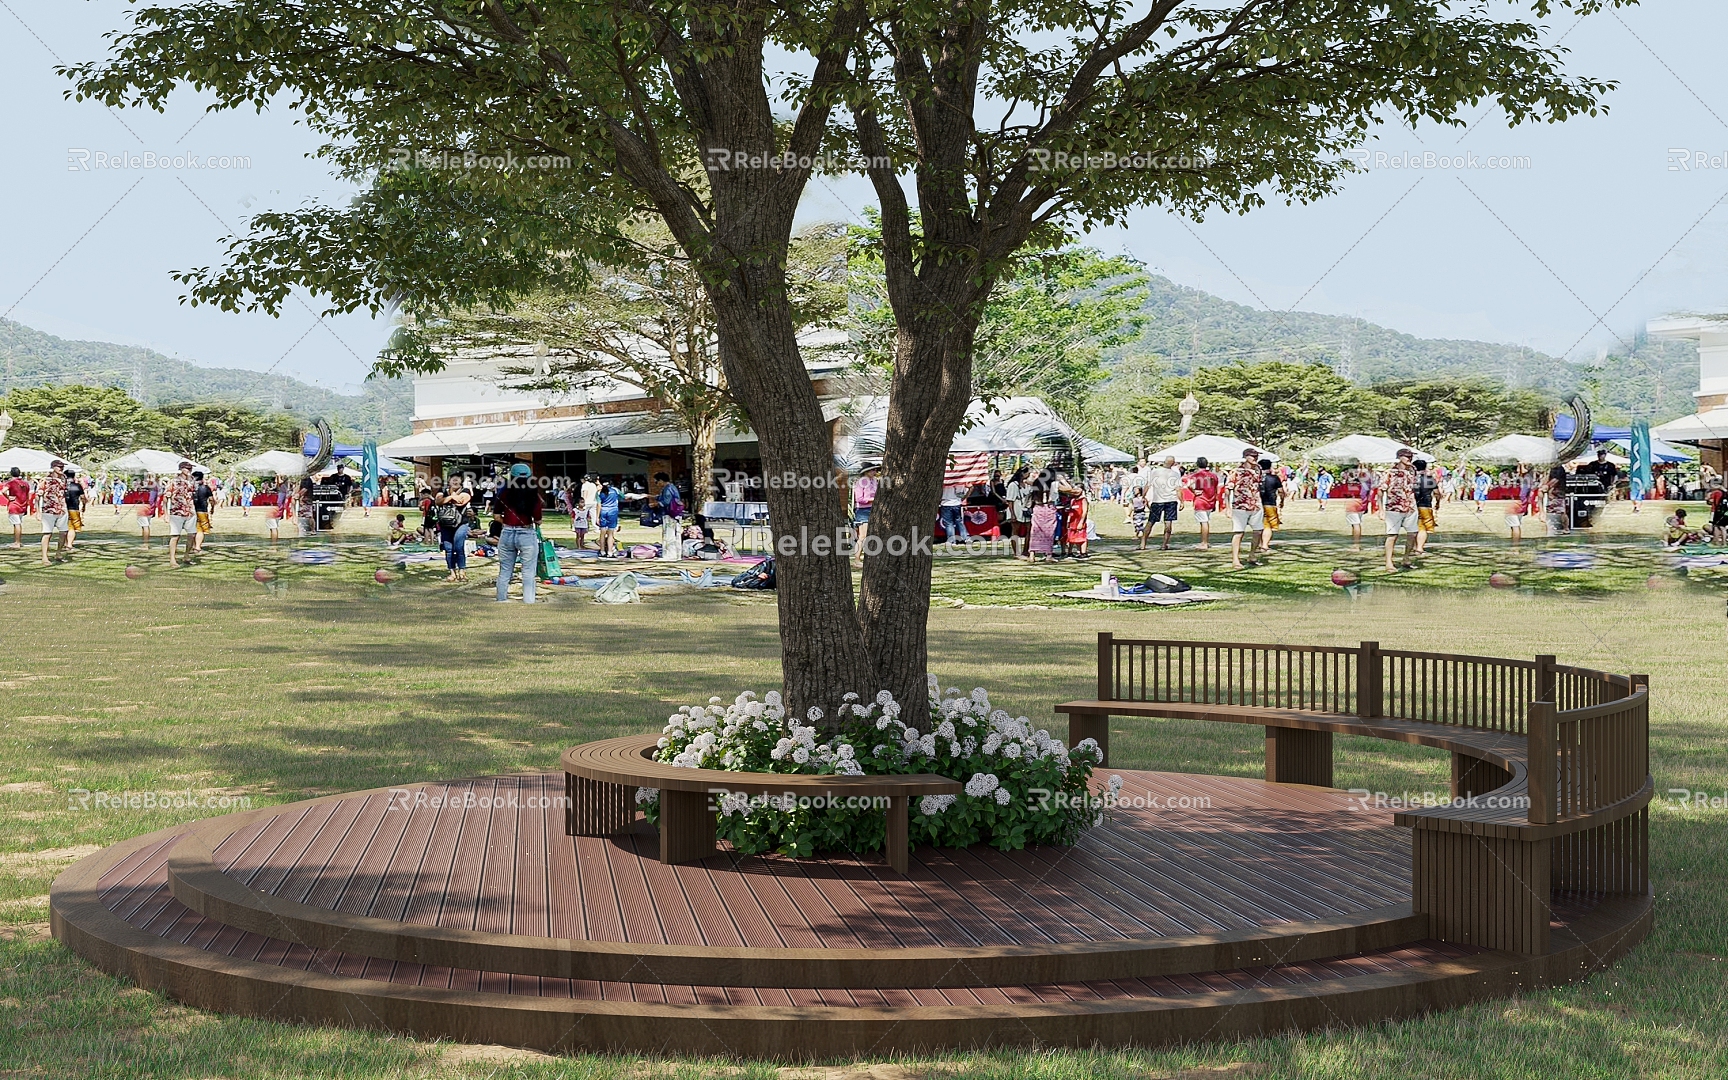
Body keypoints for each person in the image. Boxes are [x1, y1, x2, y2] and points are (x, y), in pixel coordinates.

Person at [493, 462, 544, 602]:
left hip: (507, 533)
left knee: (505, 571)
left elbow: (496, 516)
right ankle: (528, 601)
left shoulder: (503, 493)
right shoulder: (533, 494)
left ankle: (501, 599)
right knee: (528, 571)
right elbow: (538, 520)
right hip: (526, 534)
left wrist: (508, 524)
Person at [1226, 448, 1264, 570]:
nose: (1255, 458)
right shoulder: (1236, 471)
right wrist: (1227, 507)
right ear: (1246, 456)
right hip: (1240, 505)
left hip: (1256, 504)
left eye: (1256, 456)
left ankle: (1252, 555)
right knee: (1239, 533)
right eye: (1253, 456)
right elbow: (1227, 489)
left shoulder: (1258, 470)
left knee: (1258, 531)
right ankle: (1235, 559)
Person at [1381, 448, 1418, 573]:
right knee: (1392, 535)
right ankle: (1389, 563)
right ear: (1399, 457)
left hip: (1410, 506)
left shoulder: (1413, 471)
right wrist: (1380, 509)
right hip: (1393, 507)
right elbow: (1380, 491)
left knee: (1413, 534)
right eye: (1407, 456)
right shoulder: (1390, 472)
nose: (1410, 458)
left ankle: (1406, 558)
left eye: (1411, 456)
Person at [436, 480, 472, 582]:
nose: (455, 481)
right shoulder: (442, 490)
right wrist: (451, 497)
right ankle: (452, 572)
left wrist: (450, 496)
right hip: (445, 523)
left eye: (457, 479)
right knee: (448, 549)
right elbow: (438, 501)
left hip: (461, 523)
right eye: (453, 479)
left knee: (459, 547)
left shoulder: (466, 490)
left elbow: (461, 502)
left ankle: (462, 571)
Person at [1145, 455, 1181, 551]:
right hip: (1171, 500)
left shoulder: (1154, 472)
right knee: (1168, 522)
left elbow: (1147, 485)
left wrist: (1143, 496)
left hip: (1157, 500)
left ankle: (1143, 543)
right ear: (1173, 464)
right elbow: (1178, 489)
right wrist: (1182, 501)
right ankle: (1164, 544)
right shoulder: (1175, 474)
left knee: (1150, 522)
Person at [37, 460, 70, 565]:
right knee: (47, 533)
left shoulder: (64, 479)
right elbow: (37, 496)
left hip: (62, 509)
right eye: (59, 466)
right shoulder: (45, 480)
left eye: (62, 467)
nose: (61, 469)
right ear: (53, 467)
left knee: (63, 532)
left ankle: (58, 553)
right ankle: (44, 557)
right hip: (48, 509)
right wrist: (38, 511)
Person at [165, 461, 198, 567]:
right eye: (187, 468)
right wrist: (166, 513)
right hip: (176, 511)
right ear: (181, 469)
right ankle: (172, 559)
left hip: (190, 511)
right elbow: (165, 497)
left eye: (190, 469)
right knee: (175, 536)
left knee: (192, 534)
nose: (189, 471)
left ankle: (186, 556)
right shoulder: (173, 481)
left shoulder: (192, 481)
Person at [1186, 456, 1220, 551]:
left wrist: (1193, 491)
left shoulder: (1196, 475)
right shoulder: (1213, 475)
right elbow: (1216, 487)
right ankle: (1204, 541)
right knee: (1206, 521)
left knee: (1203, 522)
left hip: (1201, 500)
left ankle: (1204, 542)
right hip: (1210, 500)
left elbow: (1188, 484)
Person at [1411, 459, 1439, 556]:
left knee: (1413, 528)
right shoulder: (1429, 479)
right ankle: (1419, 548)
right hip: (1425, 505)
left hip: (1412, 506)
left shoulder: (1412, 479)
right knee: (1422, 528)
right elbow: (1436, 493)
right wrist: (1438, 503)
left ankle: (1414, 546)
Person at [1004, 465, 1033, 559]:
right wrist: (1012, 514)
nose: (1029, 474)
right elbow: (1010, 500)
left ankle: (1025, 551)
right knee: (1015, 530)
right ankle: (1017, 553)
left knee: (1029, 530)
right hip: (1016, 508)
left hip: (1026, 509)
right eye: (1028, 472)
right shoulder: (1013, 485)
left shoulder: (1028, 484)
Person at [654, 471, 683, 561]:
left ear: (661, 480)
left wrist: (656, 504)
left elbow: (666, 502)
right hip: (677, 514)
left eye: (656, 482)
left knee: (669, 535)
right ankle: (677, 554)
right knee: (676, 535)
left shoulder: (667, 489)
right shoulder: (672, 487)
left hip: (669, 514)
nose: (656, 484)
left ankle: (669, 555)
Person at [1257, 457, 1283, 555]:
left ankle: (1259, 543)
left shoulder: (1257, 478)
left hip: (1258, 504)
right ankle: (1265, 545)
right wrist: (1282, 501)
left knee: (1259, 525)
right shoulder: (1274, 478)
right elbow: (1281, 491)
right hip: (1270, 504)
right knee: (1267, 525)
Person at [1027, 488, 1058, 562]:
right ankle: (1049, 555)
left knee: (1035, 531)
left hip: (1038, 507)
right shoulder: (1052, 486)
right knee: (1049, 532)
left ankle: (1032, 554)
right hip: (1049, 507)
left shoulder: (1036, 485)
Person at [4, 467, 30, 548]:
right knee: (18, 523)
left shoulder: (11, 482)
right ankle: (17, 541)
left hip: (14, 505)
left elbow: (3, 491)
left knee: (16, 524)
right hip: (22, 506)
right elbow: (27, 495)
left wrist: (8, 497)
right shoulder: (25, 483)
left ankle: (17, 542)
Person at [1063, 481, 1090, 558]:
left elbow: (1084, 512)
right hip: (1072, 521)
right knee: (1071, 536)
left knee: (1081, 536)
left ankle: (1083, 552)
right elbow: (1071, 511)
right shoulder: (1073, 500)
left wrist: (1081, 522)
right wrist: (1068, 521)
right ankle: (1070, 552)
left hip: (1079, 521)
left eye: (1078, 489)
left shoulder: (1083, 500)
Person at [191, 470, 215, 554]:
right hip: (202, 511)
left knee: (192, 530)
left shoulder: (191, 488)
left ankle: (193, 546)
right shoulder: (206, 488)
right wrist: (212, 508)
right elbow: (212, 500)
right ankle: (197, 547)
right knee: (200, 530)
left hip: (192, 511)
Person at [939, 479, 968, 548]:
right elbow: (970, 487)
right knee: (959, 522)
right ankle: (965, 538)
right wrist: (964, 498)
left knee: (949, 523)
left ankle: (952, 541)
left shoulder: (945, 480)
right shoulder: (962, 480)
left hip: (945, 503)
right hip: (957, 503)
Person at [63, 467, 86, 552]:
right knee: (71, 527)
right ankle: (69, 544)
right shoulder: (77, 486)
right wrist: (84, 506)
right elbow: (83, 498)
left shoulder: (63, 486)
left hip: (64, 509)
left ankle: (65, 543)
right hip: (74, 508)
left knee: (64, 527)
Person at [596, 479, 621, 557]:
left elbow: (599, 505)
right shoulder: (615, 490)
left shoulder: (599, 492)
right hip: (613, 512)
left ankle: (602, 551)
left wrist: (597, 517)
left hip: (604, 512)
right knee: (610, 533)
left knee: (602, 532)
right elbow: (623, 497)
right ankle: (610, 552)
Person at [1544, 464, 1570, 537]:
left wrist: (1547, 488)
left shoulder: (1559, 469)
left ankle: (1566, 528)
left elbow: (1555, 480)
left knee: (1562, 512)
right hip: (1555, 492)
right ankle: (1552, 527)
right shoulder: (1552, 468)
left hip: (1559, 493)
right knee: (1550, 511)